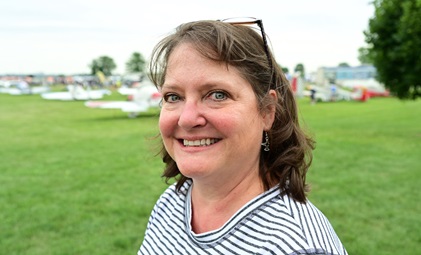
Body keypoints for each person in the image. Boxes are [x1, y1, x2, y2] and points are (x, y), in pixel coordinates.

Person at [138, 19, 348, 255]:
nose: (186, 119)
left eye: (217, 95)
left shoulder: (298, 246)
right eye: (173, 97)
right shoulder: (173, 201)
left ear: (268, 111)